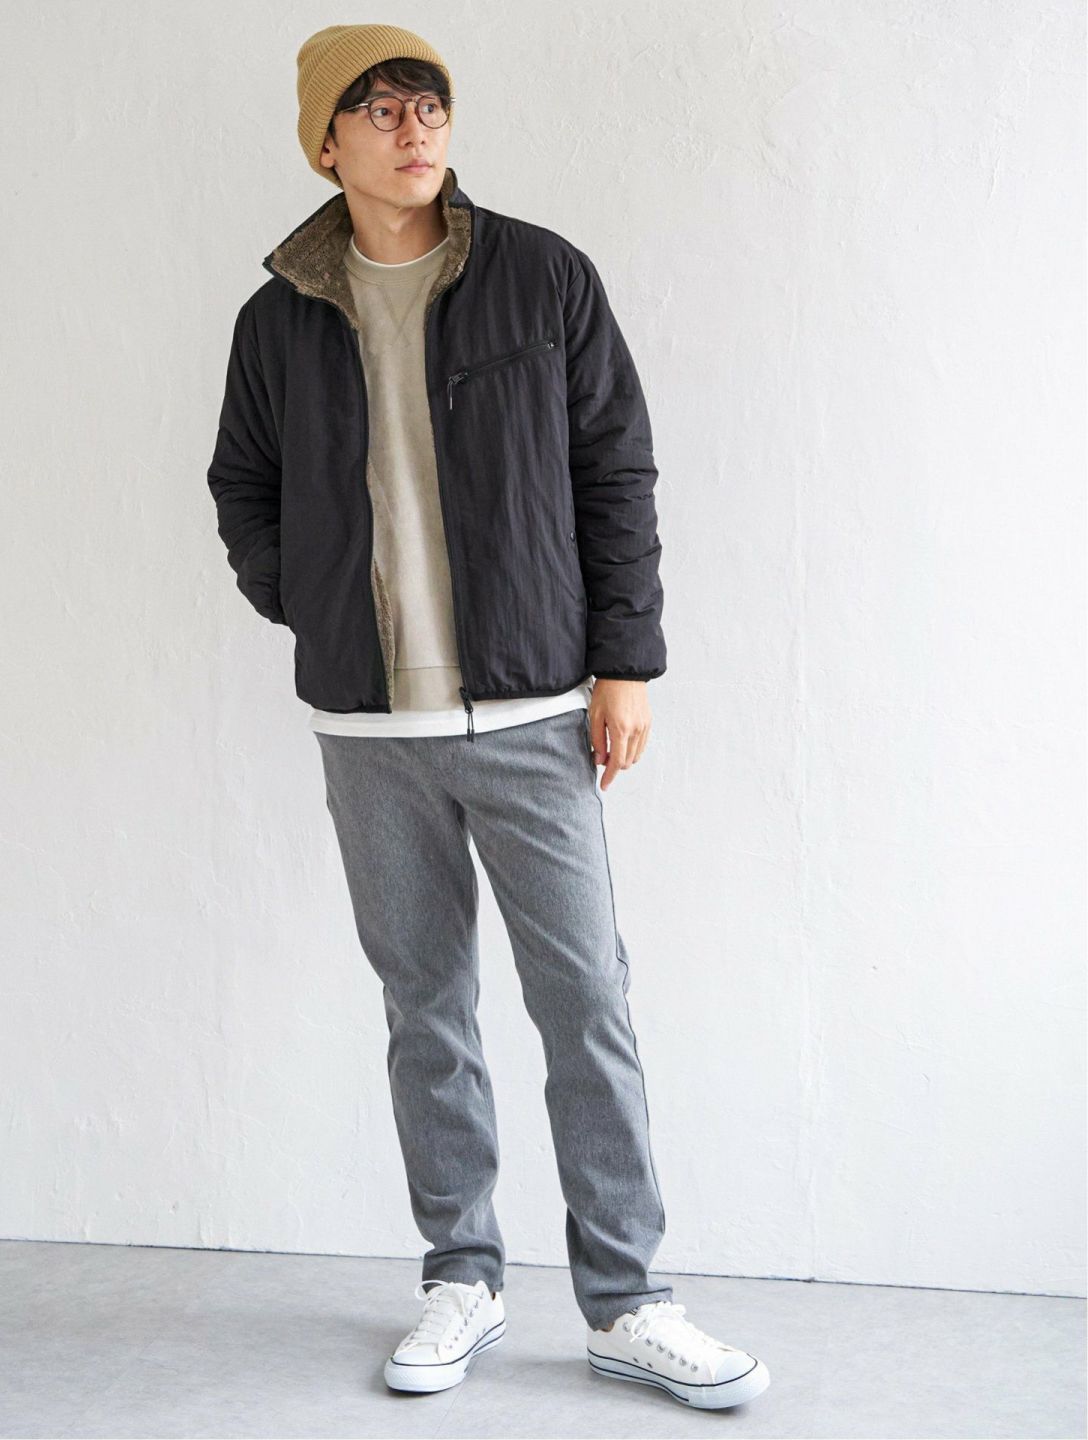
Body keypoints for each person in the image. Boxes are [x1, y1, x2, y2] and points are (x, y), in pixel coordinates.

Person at [206, 22, 770, 1413]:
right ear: (325, 143)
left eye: (430, 104)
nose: (414, 129)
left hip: (533, 708)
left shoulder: (541, 276)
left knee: (586, 1002)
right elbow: (242, 487)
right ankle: (461, 1273)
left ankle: (626, 1300)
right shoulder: (278, 318)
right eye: (379, 109)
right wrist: (314, 603)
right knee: (427, 1008)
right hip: (370, 729)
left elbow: (615, 467)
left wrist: (626, 661)